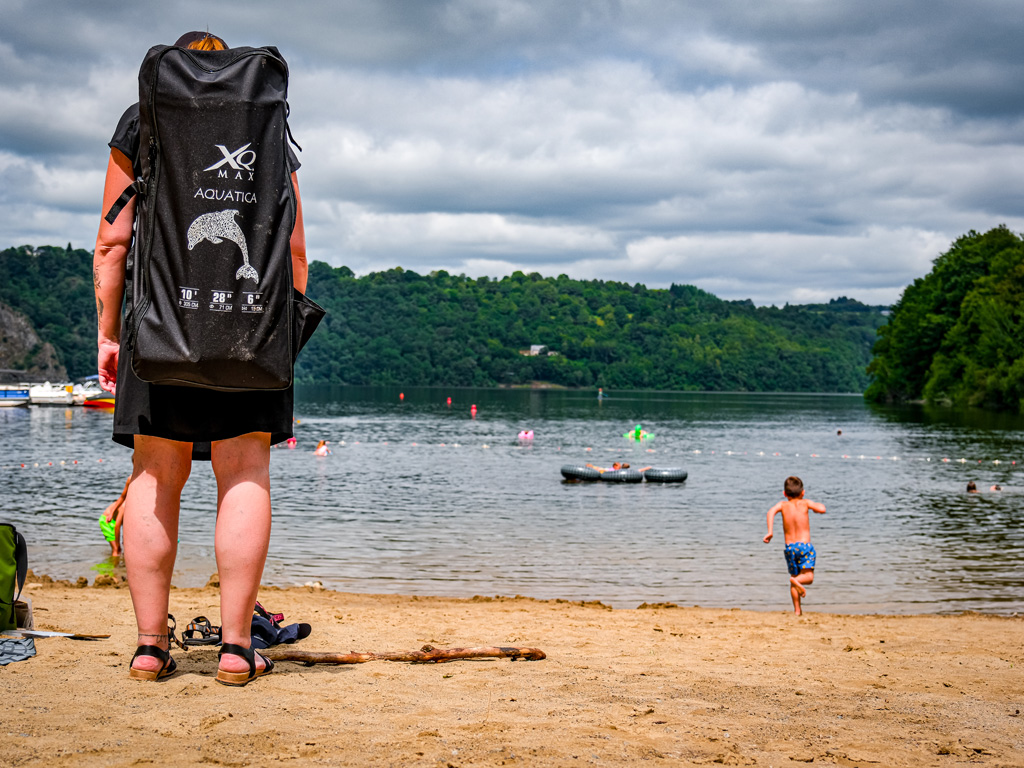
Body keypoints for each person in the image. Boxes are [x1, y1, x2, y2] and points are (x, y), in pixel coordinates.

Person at [93, 32, 307, 685]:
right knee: (244, 469)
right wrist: (283, 326)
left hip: (159, 325)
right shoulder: (264, 114)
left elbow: (112, 240)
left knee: (157, 473)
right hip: (250, 328)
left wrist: (108, 331)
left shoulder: (145, 117)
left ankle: (151, 648)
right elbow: (294, 244)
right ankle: (238, 649)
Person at [762, 476, 826, 616]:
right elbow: (822, 509)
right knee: (808, 577)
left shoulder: (783, 505)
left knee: (794, 578)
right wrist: (816, 509)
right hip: (804, 547)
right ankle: (796, 581)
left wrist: (770, 532)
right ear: (803, 492)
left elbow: (770, 512)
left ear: (784, 494)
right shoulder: (805, 503)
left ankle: (797, 610)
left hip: (790, 548)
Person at [100, 475, 131, 557]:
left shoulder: (131, 506)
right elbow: (117, 526)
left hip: (114, 521)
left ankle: (119, 565)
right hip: (107, 522)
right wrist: (118, 544)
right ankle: (114, 568)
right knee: (116, 550)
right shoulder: (124, 506)